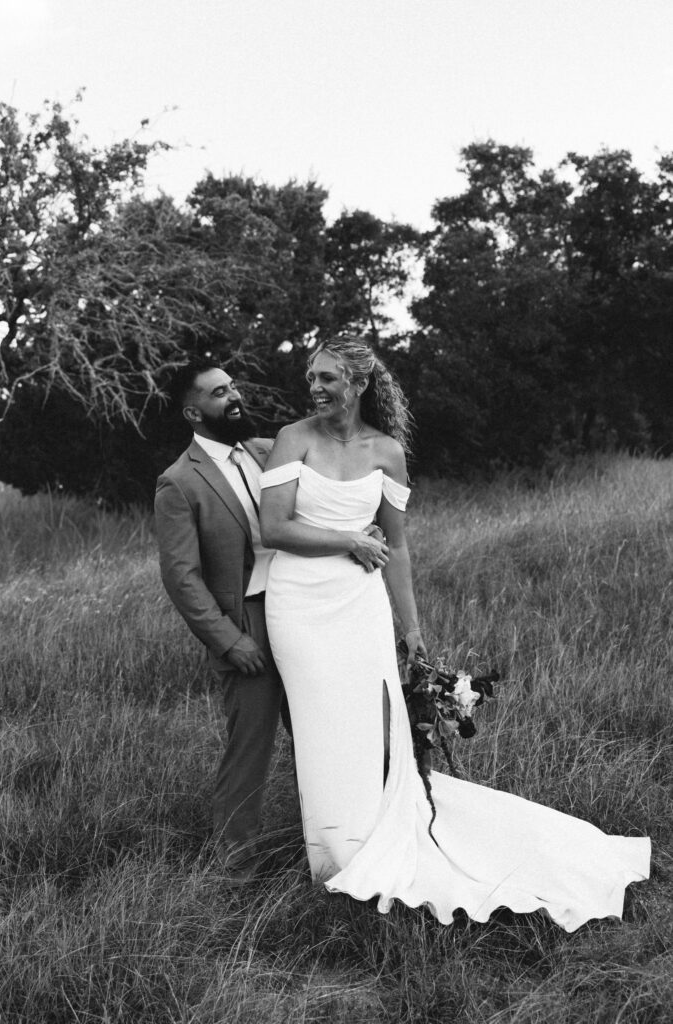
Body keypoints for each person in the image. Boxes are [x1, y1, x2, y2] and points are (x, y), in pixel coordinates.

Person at [258, 335, 650, 931]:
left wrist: (412, 630)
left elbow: (401, 546)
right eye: (312, 376)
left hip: (359, 608)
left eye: (328, 378)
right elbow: (273, 528)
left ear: (359, 385)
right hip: (299, 607)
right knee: (319, 727)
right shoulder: (293, 439)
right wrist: (350, 540)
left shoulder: (386, 452)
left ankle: (375, 838)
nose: (315, 387)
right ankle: (336, 858)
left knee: (367, 729)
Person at [154, 359, 290, 882]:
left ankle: (326, 847)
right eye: (218, 393)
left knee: (318, 736)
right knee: (249, 748)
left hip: (301, 613)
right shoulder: (179, 482)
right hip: (248, 624)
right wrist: (230, 641)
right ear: (194, 412)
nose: (233, 397)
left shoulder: (264, 451)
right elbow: (182, 578)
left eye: (232, 387)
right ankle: (237, 871)